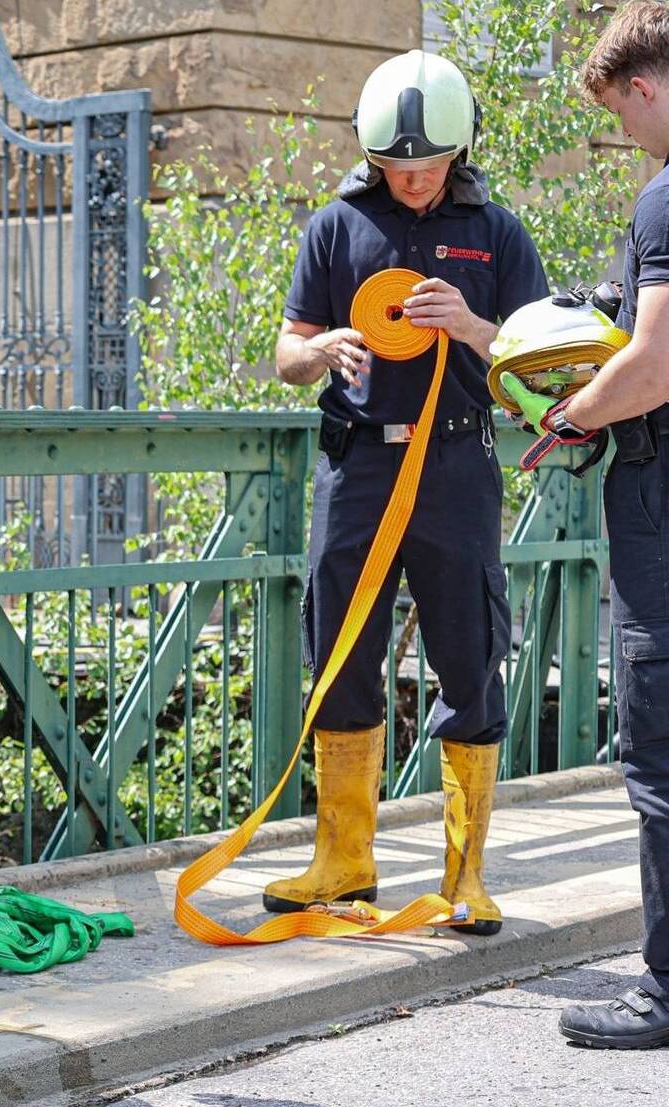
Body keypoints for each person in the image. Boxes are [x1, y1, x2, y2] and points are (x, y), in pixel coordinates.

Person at [268, 49, 548, 933]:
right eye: (395, 164)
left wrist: (469, 325)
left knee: (469, 655)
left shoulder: (498, 233)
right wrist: (322, 350)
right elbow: (286, 354)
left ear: (460, 152)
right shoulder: (336, 226)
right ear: (370, 154)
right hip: (357, 465)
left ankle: (466, 877)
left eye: (429, 164)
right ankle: (343, 862)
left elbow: (535, 368)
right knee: (340, 652)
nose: (414, 178)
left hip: (456, 466)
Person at [516, 2, 669, 1049]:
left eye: (620, 114)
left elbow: (652, 365)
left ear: (643, 87)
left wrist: (570, 416)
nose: (624, 133)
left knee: (659, 755)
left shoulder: (664, 199)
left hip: (661, 514)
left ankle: (664, 991)